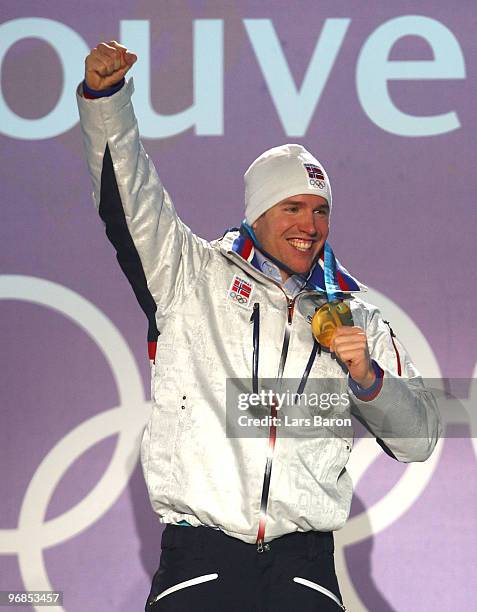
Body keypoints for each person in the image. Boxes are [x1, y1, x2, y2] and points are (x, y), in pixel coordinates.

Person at [77, 41, 441, 611]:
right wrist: (106, 102)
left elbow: (419, 438)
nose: (310, 224)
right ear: (257, 214)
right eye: (291, 207)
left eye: (320, 210)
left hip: (304, 570)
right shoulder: (190, 276)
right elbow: (130, 197)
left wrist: (368, 379)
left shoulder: (357, 314)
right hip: (200, 562)